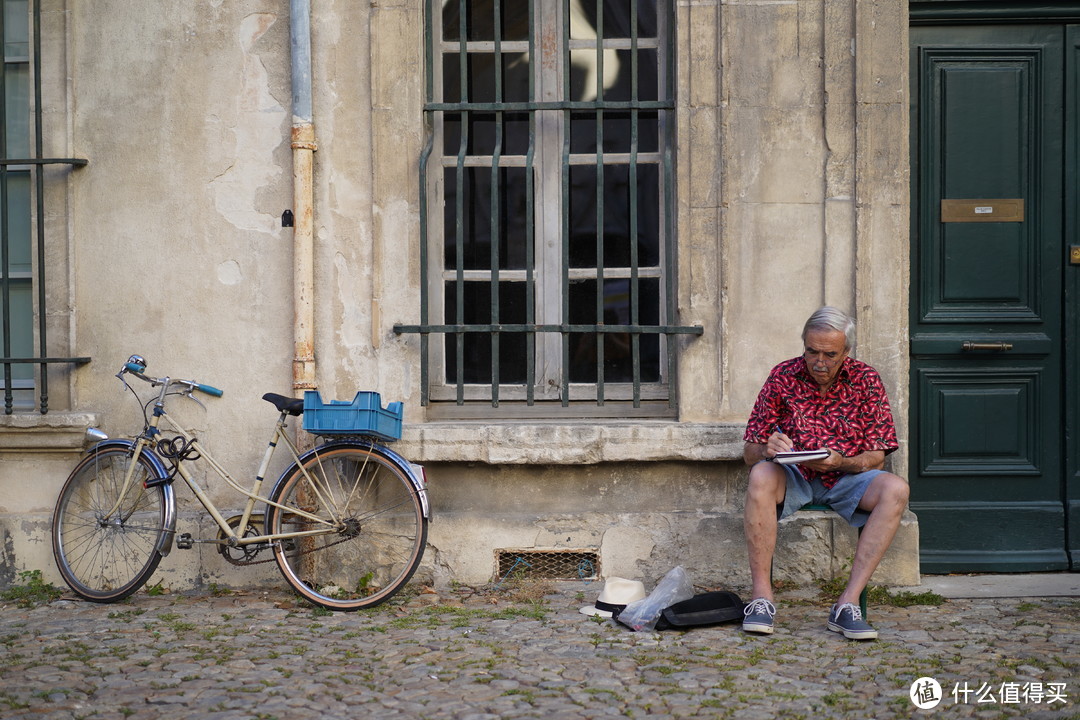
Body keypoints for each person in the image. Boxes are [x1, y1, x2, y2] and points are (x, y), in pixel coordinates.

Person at [741, 306, 909, 640]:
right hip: (793, 477)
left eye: (830, 354)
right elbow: (749, 453)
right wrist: (768, 448)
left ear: (846, 352)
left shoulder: (866, 379)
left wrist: (840, 462)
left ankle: (847, 605)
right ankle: (761, 599)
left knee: (896, 489)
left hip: (848, 477)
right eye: (811, 351)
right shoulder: (782, 375)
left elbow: (876, 457)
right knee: (760, 474)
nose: (819, 362)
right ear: (803, 345)